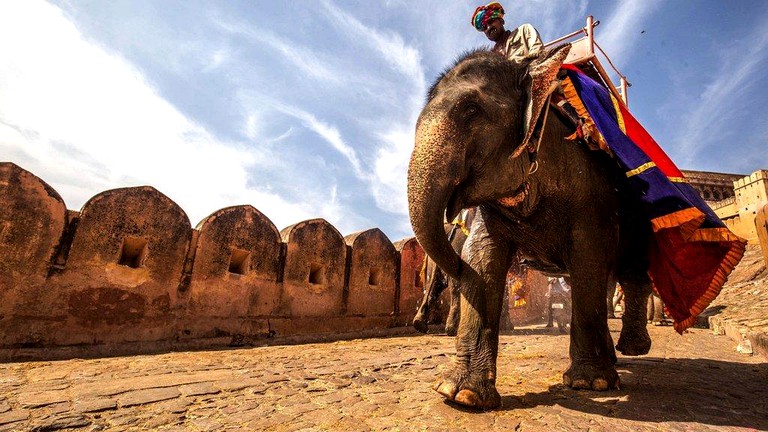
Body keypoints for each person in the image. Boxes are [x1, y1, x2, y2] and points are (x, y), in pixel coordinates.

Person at [471, 2, 543, 63]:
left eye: (491, 22)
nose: (489, 28)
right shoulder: (490, 57)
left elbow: (537, 51)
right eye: (485, 28)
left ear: (501, 21)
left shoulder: (523, 31)